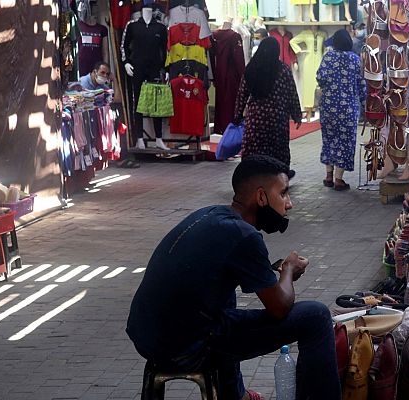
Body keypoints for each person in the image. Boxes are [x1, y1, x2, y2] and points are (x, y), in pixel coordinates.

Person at [126, 155, 341, 400]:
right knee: (316, 316)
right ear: (261, 197)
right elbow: (279, 308)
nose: (289, 204)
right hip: (182, 347)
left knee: (225, 299)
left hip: (147, 335)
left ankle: (235, 394)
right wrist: (289, 271)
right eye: (283, 194)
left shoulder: (211, 214)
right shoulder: (244, 236)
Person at [234, 37, 302, 169]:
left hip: (256, 118)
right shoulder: (283, 70)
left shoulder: (251, 69)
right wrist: (296, 114)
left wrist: (237, 115)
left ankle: (253, 175)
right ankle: (278, 175)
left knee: (255, 149)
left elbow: (242, 94)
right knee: (278, 149)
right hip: (278, 118)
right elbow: (291, 93)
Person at [316, 29, 366, 191]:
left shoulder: (328, 57)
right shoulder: (355, 59)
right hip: (348, 109)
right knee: (345, 142)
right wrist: (366, 102)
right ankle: (339, 179)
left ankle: (328, 176)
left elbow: (320, 77)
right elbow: (361, 84)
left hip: (329, 107)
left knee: (329, 139)